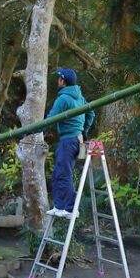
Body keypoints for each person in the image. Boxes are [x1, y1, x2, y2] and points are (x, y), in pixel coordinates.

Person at [46, 68, 94, 218]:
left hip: (68, 140)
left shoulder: (63, 98)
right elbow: (91, 113)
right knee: (58, 173)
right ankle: (59, 205)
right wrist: (84, 130)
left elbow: (50, 119)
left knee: (64, 174)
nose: (57, 81)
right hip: (76, 139)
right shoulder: (79, 97)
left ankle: (70, 208)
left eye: (59, 78)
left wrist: (32, 131)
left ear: (63, 81)